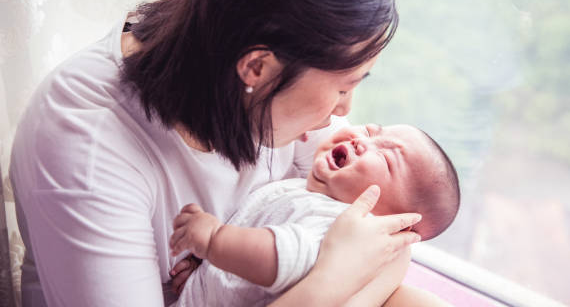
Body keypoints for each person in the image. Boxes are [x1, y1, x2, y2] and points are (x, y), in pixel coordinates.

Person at [8, 0, 424, 306]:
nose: (344, 111)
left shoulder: (251, 84)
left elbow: (389, 241)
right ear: (257, 68)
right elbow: (362, 258)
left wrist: (353, 269)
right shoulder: (89, 148)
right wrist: (331, 282)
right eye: (341, 88)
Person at [168, 123, 459, 306]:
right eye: (371, 132)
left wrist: (216, 242)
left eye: (384, 157)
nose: (362, 140)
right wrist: (207, 267)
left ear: (391, 220)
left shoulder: (338, 222)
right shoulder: (308, 192)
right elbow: (255, 227)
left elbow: (280, 257)